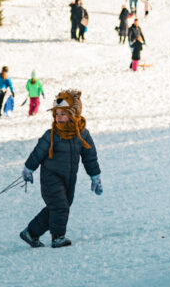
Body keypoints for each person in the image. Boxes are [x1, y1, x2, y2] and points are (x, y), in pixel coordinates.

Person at [19, 89, 102, 249]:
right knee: (60, 207)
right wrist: (28, 169)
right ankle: (57, 237)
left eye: (63, 114)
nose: (59, 118)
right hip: (51, 178)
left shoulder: (82, 135)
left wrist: (95, 176)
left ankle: (31, 232)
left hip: (69, 178)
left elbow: (90, 157)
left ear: (73, 114)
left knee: (59, 207)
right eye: (56, 114)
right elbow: (38, 153)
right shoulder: (51, 135)